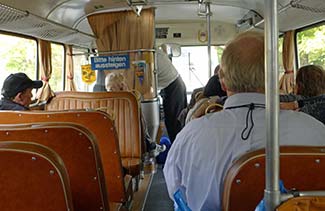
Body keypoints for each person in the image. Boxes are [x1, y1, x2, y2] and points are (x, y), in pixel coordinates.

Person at [163, 31, 325, 211]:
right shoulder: (316, 131)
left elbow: (175, 189)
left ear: (223, 82)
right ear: (273, 78)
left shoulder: (191, 135)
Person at [157, 47, 187, 143]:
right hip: (174, 85)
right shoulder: (156, 52)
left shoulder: (151, 55)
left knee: (175, 124)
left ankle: (178, 149)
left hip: (173, 87)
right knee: (173, 124)